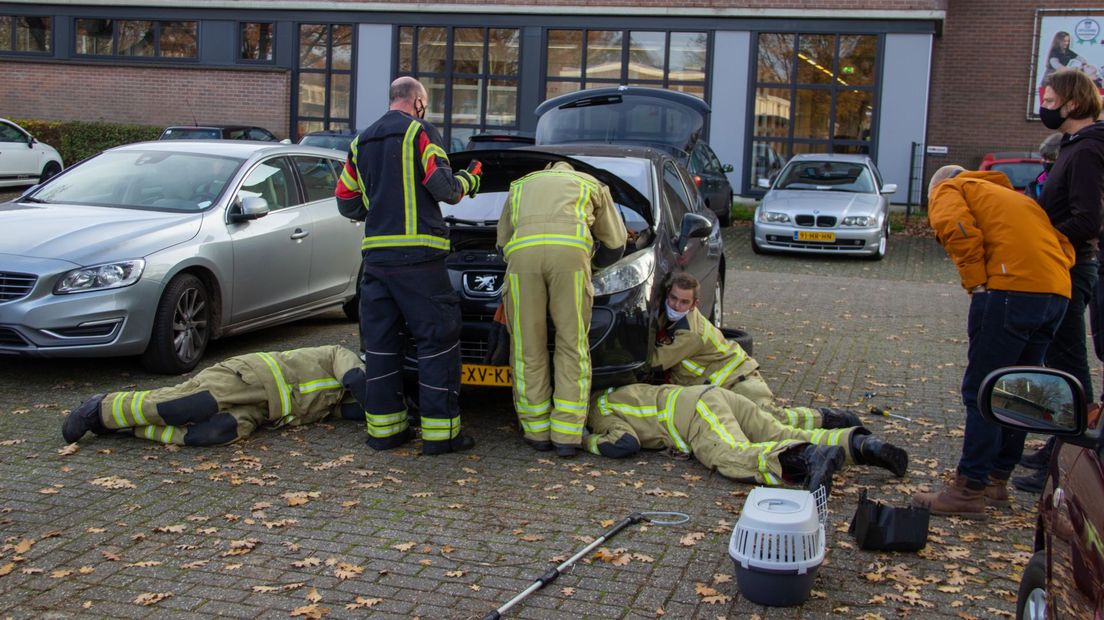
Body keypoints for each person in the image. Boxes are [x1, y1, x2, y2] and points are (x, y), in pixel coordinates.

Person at [913, 165, 1074, 519]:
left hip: (1010, 291)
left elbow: (957, 230)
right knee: (1019, 391)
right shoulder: (1014, 197)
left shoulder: (948, 188)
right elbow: (1063, 243)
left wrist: (978, 285)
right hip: (1056, 292)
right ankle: (997, 480)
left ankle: (969, 490)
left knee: (984, 390)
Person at [336, 76, 483, 455]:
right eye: (425, 103)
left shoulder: (360, 141)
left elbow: (346, 202)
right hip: (419, 260)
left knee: (382, 347)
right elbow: (444, 188)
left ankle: (385, 432)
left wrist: (380, 207)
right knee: (436, 343)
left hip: (376, 262)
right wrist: (471, 179)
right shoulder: (420, 132)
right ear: (418, 101)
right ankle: (441, 437)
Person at [498, 161, 627, 457]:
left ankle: (536, 431)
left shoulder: (520, 185)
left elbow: (503, 242)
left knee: (527, 347)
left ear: (546, 170)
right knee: (572, 345)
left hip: (523, 261)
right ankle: (567, 435)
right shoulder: (591, 184)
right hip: (570, 260)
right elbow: (616, 242)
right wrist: (591, 265)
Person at [585, 383, 908, 496]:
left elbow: (623, 444)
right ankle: (863, 446)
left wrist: (588, 441)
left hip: (695, 414)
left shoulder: (597, 411)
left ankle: (807, 458)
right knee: (781, 432)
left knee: (732, 454)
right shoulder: (612, 391)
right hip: (711, 395)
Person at [652, 273, 862, 430]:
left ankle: (829, 418)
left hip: (740, 383)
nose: (676, 305)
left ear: (694, 304)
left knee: (773, 421)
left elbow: (655, 361)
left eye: (684, 302)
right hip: (723, 387)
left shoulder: (691, 333)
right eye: (673, 298)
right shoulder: (671, 318)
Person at [61, 346, 369, 446]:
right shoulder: (343, 356)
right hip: (252, 375)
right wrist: (382, 404)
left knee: (212, 433)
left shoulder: (338, 401)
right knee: (183, 405)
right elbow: (357, 380)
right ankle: (100, 408)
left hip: (263, 412)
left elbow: (350, 409)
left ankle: (127, 427)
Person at [1024, 132, 1062, 203]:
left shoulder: (1068, 182)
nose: (1044, 162)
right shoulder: (1035, 185)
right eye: (1044, 158)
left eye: (1051, 159)